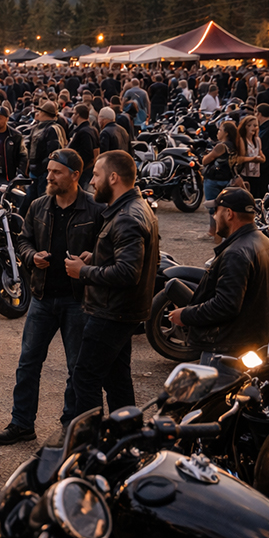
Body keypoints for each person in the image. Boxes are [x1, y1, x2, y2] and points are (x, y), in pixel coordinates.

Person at [0, 149, 103, 444]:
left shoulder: (94, 209)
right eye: (49, 170)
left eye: (56, 172)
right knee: (28, 362)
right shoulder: (38, 205)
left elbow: (107, 247)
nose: (49, 177)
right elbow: (24, 240)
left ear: (75, 175)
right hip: (41, 296)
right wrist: (31, 257)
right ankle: (21, 423)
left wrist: (92, 257)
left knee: (76, 367)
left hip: (77, 299)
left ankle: (70, 424)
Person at [63, 150, 159, 421]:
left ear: (113, 177)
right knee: (117, 379)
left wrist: (84, 272)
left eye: (96, 175)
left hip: (112, 311)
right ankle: (126, 441)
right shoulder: (133, 209)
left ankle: (88, 448)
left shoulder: (127, 216)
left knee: (85, 376)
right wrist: (98, 257)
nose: (91, 182)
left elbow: (129, 272)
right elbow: (130, 258)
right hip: (120, 311)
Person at [168, 187, 269, 360]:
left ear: (229, 213)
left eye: (215, 211)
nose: (213, 216)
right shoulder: (265, 243)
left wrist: (186, 315)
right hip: (253, 344)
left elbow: (225, 305)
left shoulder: (236, 253)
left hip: (228, 351)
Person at [24, 101, 68, 211]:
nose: (37, 113)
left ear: (45, 113)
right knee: (30, 203)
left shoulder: (52, 129)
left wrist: (44, 168)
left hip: (45, 174)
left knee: (44, 204)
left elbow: (54, 152)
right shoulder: (37, 127)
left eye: (40, 111)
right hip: (35, 173)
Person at [201, 121, 240, 242]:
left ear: (226, 133)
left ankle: (213, 232)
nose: (218, 132)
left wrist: (206, 155)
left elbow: (205, 161)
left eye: (220, 130)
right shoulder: (235, 145)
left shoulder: (221, 146)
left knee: (213, 207)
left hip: (214, 179)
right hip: (228, 179)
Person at [68, 104, 99, 188]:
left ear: (78, 115)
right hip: (88, 170)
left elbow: (87, 153)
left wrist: (78, 169)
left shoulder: (83, 132)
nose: (72, 117)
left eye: (74, 114)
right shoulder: (93, 130)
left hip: (82, 173)